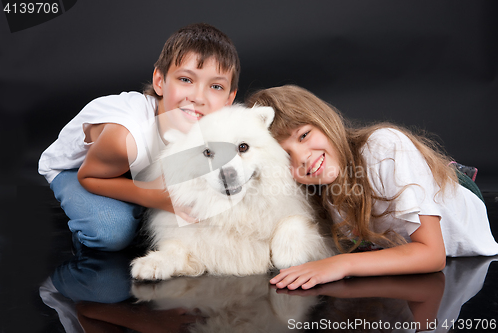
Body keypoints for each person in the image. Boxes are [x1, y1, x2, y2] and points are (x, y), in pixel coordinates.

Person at [246, 85, 498, 289]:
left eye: (304, 135)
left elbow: (432, 255)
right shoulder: (317, 189)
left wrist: (341, 264)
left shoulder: (383, 148)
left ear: (323, 120)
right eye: (286, 157)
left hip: (460, 194)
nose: (302, 157)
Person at [38, 23, 240, 251]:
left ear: (229, 99)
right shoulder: (125, 138)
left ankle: (140, 207)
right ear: (160, 81)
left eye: (215, 86)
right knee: (111, 231)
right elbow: (89, 177)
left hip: (136, 170)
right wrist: (155, 198)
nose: (198, 97)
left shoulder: (212, 127)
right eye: (186, 80)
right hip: (83, 171)